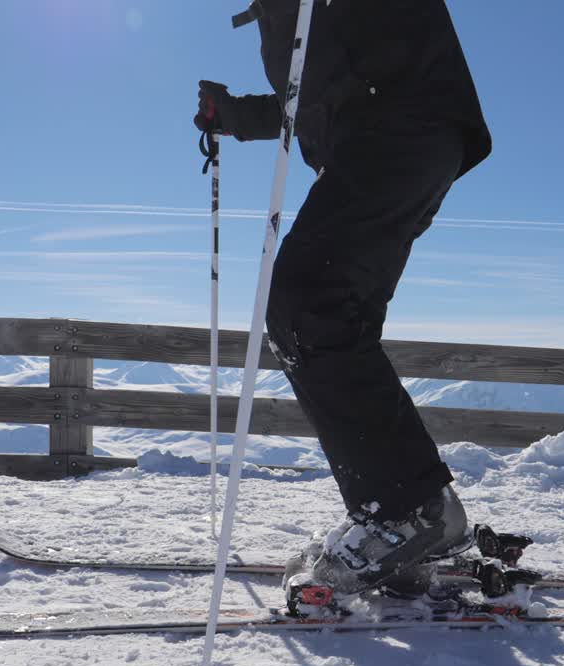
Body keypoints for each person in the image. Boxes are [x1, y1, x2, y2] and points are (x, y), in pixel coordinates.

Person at [193, 0, 492, 598]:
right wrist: (233, 116)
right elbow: (312, 97)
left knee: (308, 306)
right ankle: (408, 520)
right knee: (324, 319)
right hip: (389, 137)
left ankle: (410, 514)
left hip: (399, 127)